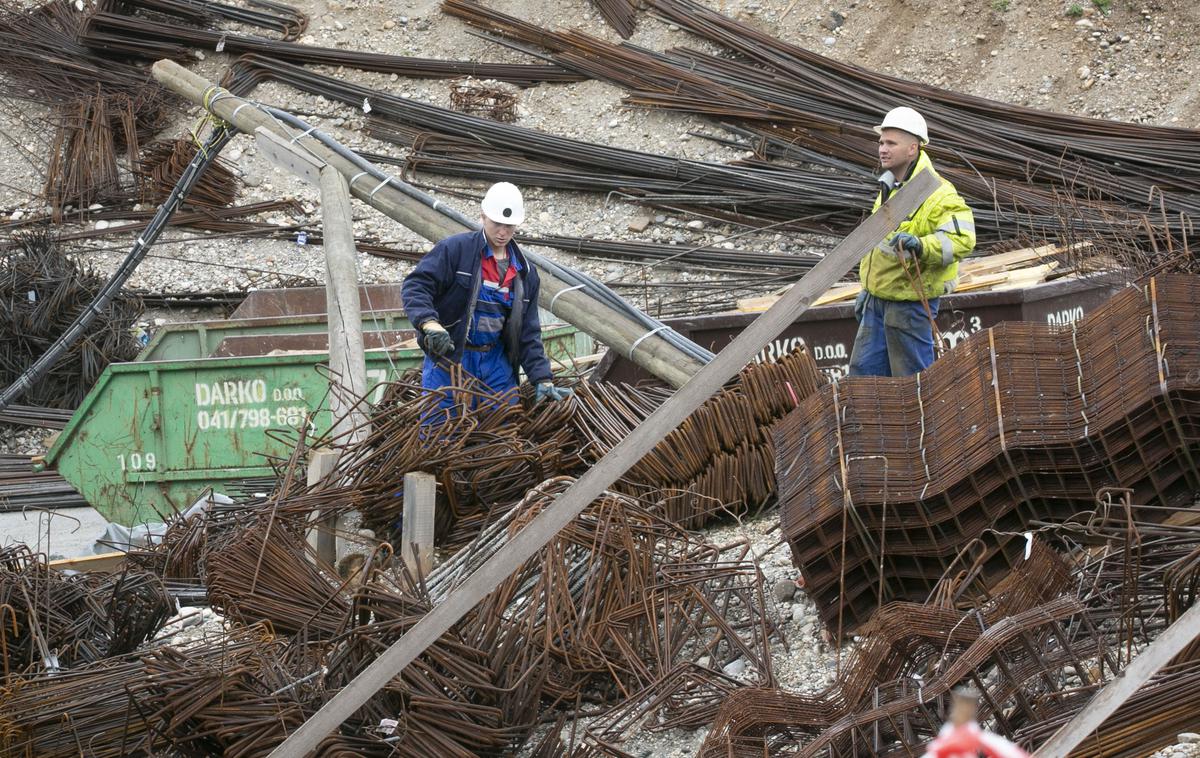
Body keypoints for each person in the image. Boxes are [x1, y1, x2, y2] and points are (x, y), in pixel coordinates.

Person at [401, 182, 573, 407]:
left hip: (496, 364)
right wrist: (429, 323)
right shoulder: (456, 251)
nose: (503, 232)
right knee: (440, 431)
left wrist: (542, 377)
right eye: (497, 224)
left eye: (509, 226)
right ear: (483, 216)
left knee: (503, 429)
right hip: (451, 359)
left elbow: (528, 332)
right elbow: (416, 286)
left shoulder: (525, 272)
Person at [848, 106, 976, 377]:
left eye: (891, 143)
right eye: (881, 142)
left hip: (909, 304)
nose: (882, 148)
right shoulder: (891, 187)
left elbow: (962, 239)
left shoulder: (939, 194)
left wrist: (922, 246)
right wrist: (868, 288)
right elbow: (877, 246)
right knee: (863, 380)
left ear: (912, 149)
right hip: (877, 301)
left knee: (913, 383)